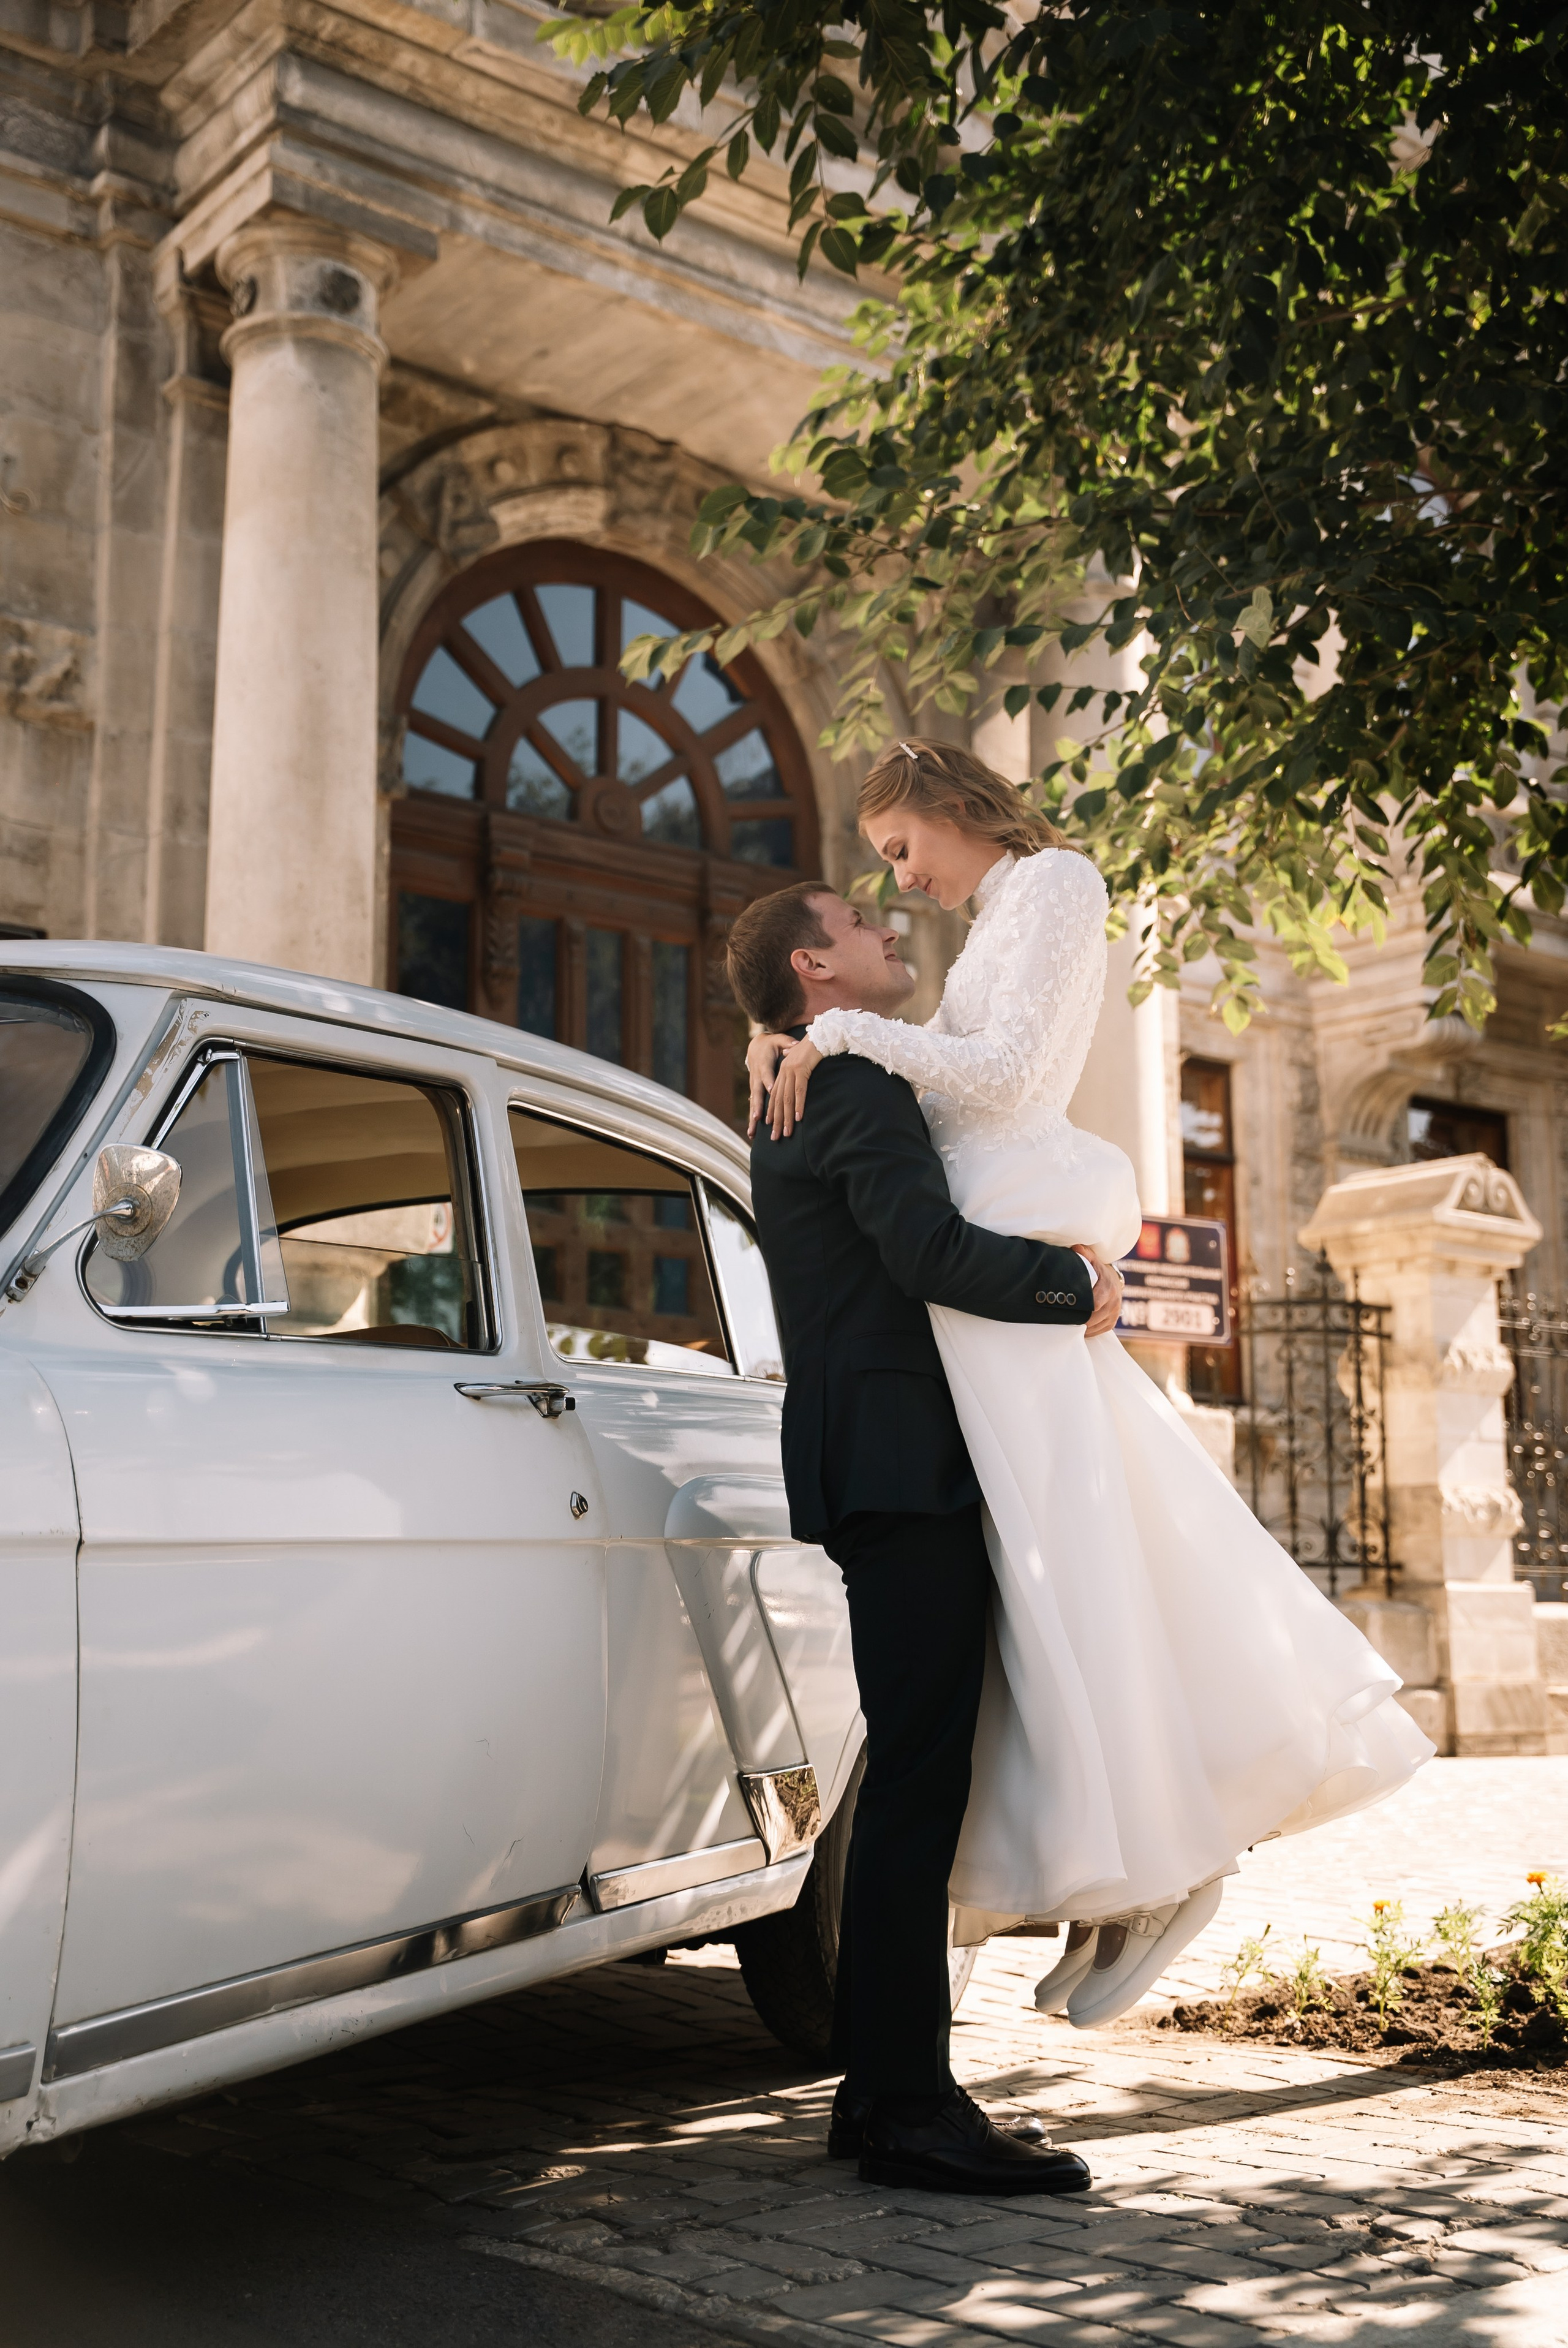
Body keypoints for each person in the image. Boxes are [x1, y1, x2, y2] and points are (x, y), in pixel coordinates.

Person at [746, 739, 1433, 2037]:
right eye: (881, 869)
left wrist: (833, 1028)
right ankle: (1134, 1861)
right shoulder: (982, 928)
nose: (901, 880)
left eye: (903, 848)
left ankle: (1172, 1860)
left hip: (1001, 1239)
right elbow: (938, 1074)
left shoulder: (1056, 882)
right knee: (1051, 1581)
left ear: (953, 808)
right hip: (980, 1260)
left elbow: (1002, 1080)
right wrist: (802, 1039)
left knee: (1082, 1557)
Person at [726, 880, 1118, 2197]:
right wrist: (1074, 1283)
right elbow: (927, 1252)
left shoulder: (807, 1077)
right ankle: (904, 2105)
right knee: (913, 1788)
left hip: (872, 1461)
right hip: (901, 1467)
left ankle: (879, 2090)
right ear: (810, 965)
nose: (895, 930)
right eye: (862, 919)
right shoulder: (842, 1087)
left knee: (913, 1778)